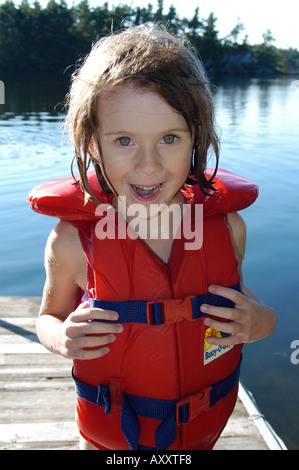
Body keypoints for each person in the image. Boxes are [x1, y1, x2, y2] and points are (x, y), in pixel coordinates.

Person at [28, 25, 276, 450]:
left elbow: (241, 303)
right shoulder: (72, 240)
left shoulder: (227, 227)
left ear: (195, 138)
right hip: (110, 437)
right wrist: (59, 337)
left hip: (199, 432)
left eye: (169, 139)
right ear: (93, 144)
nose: (148, 166)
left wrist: (260, 323)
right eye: (124, 140)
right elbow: (48, 317)